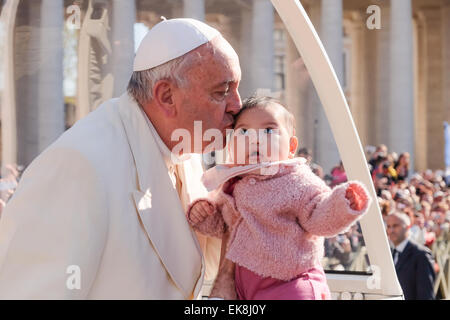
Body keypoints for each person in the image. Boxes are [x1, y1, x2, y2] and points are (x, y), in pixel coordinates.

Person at [0, 18, 241, 299]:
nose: (237, 105)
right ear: (166, 96)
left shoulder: (184, 149)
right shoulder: (78, 164)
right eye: (221, 92)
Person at [186, 97, 372, 300]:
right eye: (244, 132)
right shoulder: (232, 183)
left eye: (268, 131)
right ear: (231, 147)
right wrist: (203, 213)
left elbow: (319, 216)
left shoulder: (297, 180)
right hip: (245, 288)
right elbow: (221, 226)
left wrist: (341, 205)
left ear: (291, 147)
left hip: (291, 286)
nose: (255, 139)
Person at [386, 212, 436, 300]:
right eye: (389, 226)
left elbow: (426, 295)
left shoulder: (421, 255)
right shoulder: (391, 253)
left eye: (395, 226)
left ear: (408, 227)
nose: (391, 230)